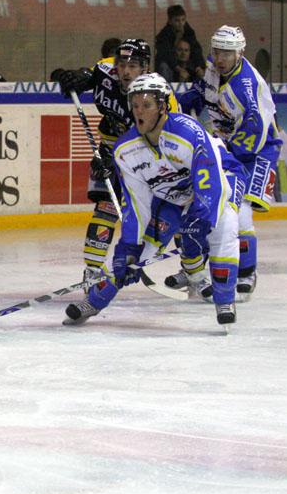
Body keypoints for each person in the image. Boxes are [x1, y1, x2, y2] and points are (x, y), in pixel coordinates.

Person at [65, 73, 241, 328]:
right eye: (135, 105)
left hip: (221, 182)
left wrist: (201, 219)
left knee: (224, 229)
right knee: (133, 255)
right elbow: (137, 204)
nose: (139, 111)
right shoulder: (125, 150)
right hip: (173, 196)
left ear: (162, 106)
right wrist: (129, 247)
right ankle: (94, 301)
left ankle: (224, 300)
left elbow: (210, 182)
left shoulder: (187, 132)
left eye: (146, 105)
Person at [57, 39, 180, 282]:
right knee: (106, 206)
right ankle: (93, 270)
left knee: (172, 208)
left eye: (132, 66)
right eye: (121, 64)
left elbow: (164, 142)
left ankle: (194, 270)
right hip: (111, 147)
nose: (125, 71)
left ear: (145, 67)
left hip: (150, 156)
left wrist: (120, 161)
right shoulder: (106, 69)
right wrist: (73, 78)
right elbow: (89, 76)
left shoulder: (159, 96)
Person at [177, 25, 283, 301]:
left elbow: (256, 132)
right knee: (205, 202)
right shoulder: (213, 69)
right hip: (228, 145)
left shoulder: (246, 87)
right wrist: (172, 109)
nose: (220, 58)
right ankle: (194, 263)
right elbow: (198, 95)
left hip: (259, 150)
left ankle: (246, 273)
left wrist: (222, 154)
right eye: (217, 51)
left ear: (240, 53)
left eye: (227, 53)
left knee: (241, 211)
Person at [155, 5, 205, 78]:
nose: (181, 23)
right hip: (170, 67)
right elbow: (166, 55)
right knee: (164, 67)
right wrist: (179, 69)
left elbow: (196, 50)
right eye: (177, 20)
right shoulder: (163, 36)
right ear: (170, 21)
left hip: (186, 65)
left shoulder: (189, 32)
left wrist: (199, 66)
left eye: (183, 20)